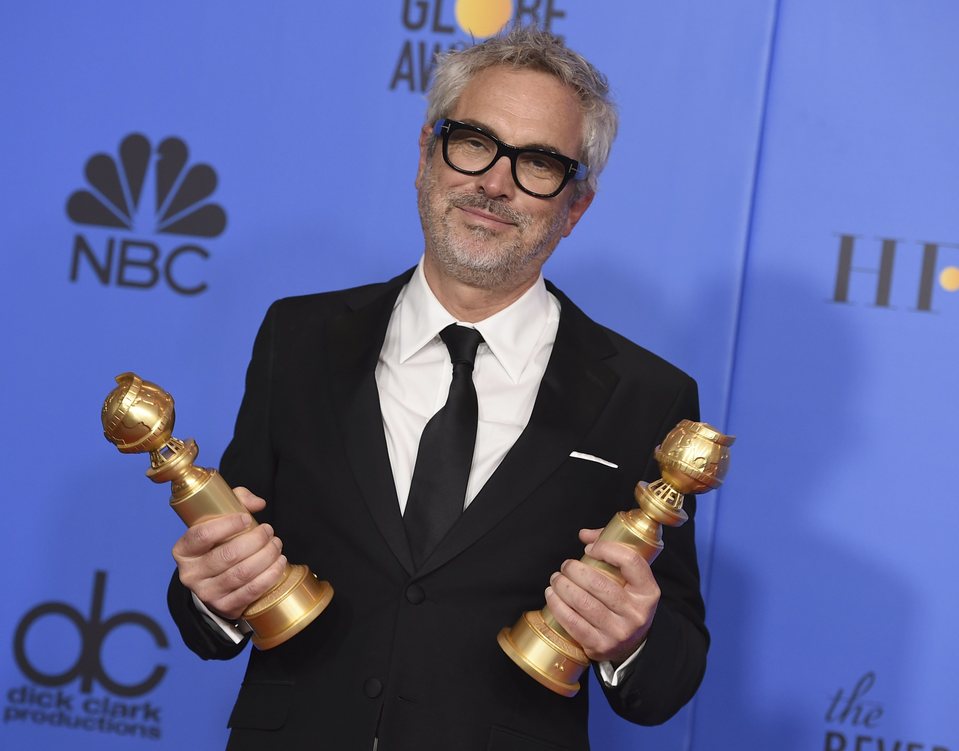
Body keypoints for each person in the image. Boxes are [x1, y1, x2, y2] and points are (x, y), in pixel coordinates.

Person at [167, 24, 707, 751]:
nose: (494, 181)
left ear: (574, 207)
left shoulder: (648, 396)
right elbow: (222, 574)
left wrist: (631, 636)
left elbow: (667, 680)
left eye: (539, 162)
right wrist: (212, 592)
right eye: (472, 141)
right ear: (426, 154)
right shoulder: (297, 338)